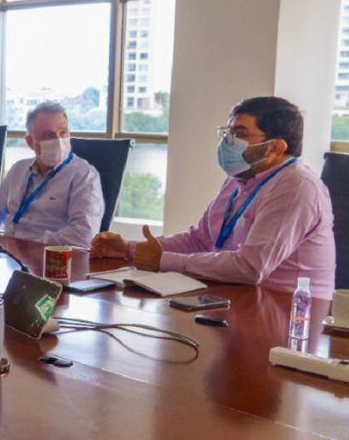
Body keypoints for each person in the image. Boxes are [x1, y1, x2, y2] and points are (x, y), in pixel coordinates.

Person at [91, 96, 336, 300]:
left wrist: (163, 260)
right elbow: (199, 239)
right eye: (227, 132)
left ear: (276, 147)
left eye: (239, 134)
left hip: (289, 314)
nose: (227, 142)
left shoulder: (297, 186)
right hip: (232, 298)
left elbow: (250, 267)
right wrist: (131, 249)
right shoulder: (239, 177)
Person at [0, 101, 104, 247]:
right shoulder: (19, 169)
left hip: (53, 261)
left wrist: (30, 246)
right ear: (30, 141)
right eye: (49, 135)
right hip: (8, 256)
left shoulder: (84, 175)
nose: (58, 140)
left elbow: (84, 234)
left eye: (63, 132)